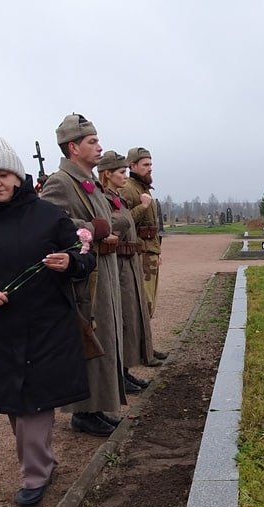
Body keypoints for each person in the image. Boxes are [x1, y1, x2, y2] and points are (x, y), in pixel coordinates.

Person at [0, 135, 96, 507]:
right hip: (1, 329)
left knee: (35, 403)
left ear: (17, 176)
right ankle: (42, 461)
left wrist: (70, 262)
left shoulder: (47, 215)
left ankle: (34, 476)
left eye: (3, 174)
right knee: (16, 402)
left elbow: (83, 257)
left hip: (48, 324)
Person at [40, 114, 126, 437]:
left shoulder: (86, 182)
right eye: (92, 142)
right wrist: (95, 229)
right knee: (91, 340)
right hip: (85, 278)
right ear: (73, 147)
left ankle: (97, 407)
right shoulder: (60, 183)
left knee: (105, 337)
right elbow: (53, 228)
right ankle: (84, 412)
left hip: (102, 270)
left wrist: (106, 228)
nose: (99, 146)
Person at [96, 150, 162, 393]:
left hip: (132, 258)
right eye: (121, 172)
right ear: (108, 174)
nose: (124, 176)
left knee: (133, 316)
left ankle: (125, 372)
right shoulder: (108, 197)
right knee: (124, 318)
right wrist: (142, 208)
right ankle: (121, 374)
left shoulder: (117, 197)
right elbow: (117, 225)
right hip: (121, 260)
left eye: (125, 171)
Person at [119, 147, 162, 319]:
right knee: (144, 303)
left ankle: (146, 344)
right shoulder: (128, 189)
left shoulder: (144, 188)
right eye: (145, 164)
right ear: (133, 166)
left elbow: (152, 225)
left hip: (149, 252)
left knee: (150, 302)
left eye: (151, 164)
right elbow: (123, 222)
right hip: (140, 253)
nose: (150, 168)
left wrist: (157, 252)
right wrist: (142, 207)